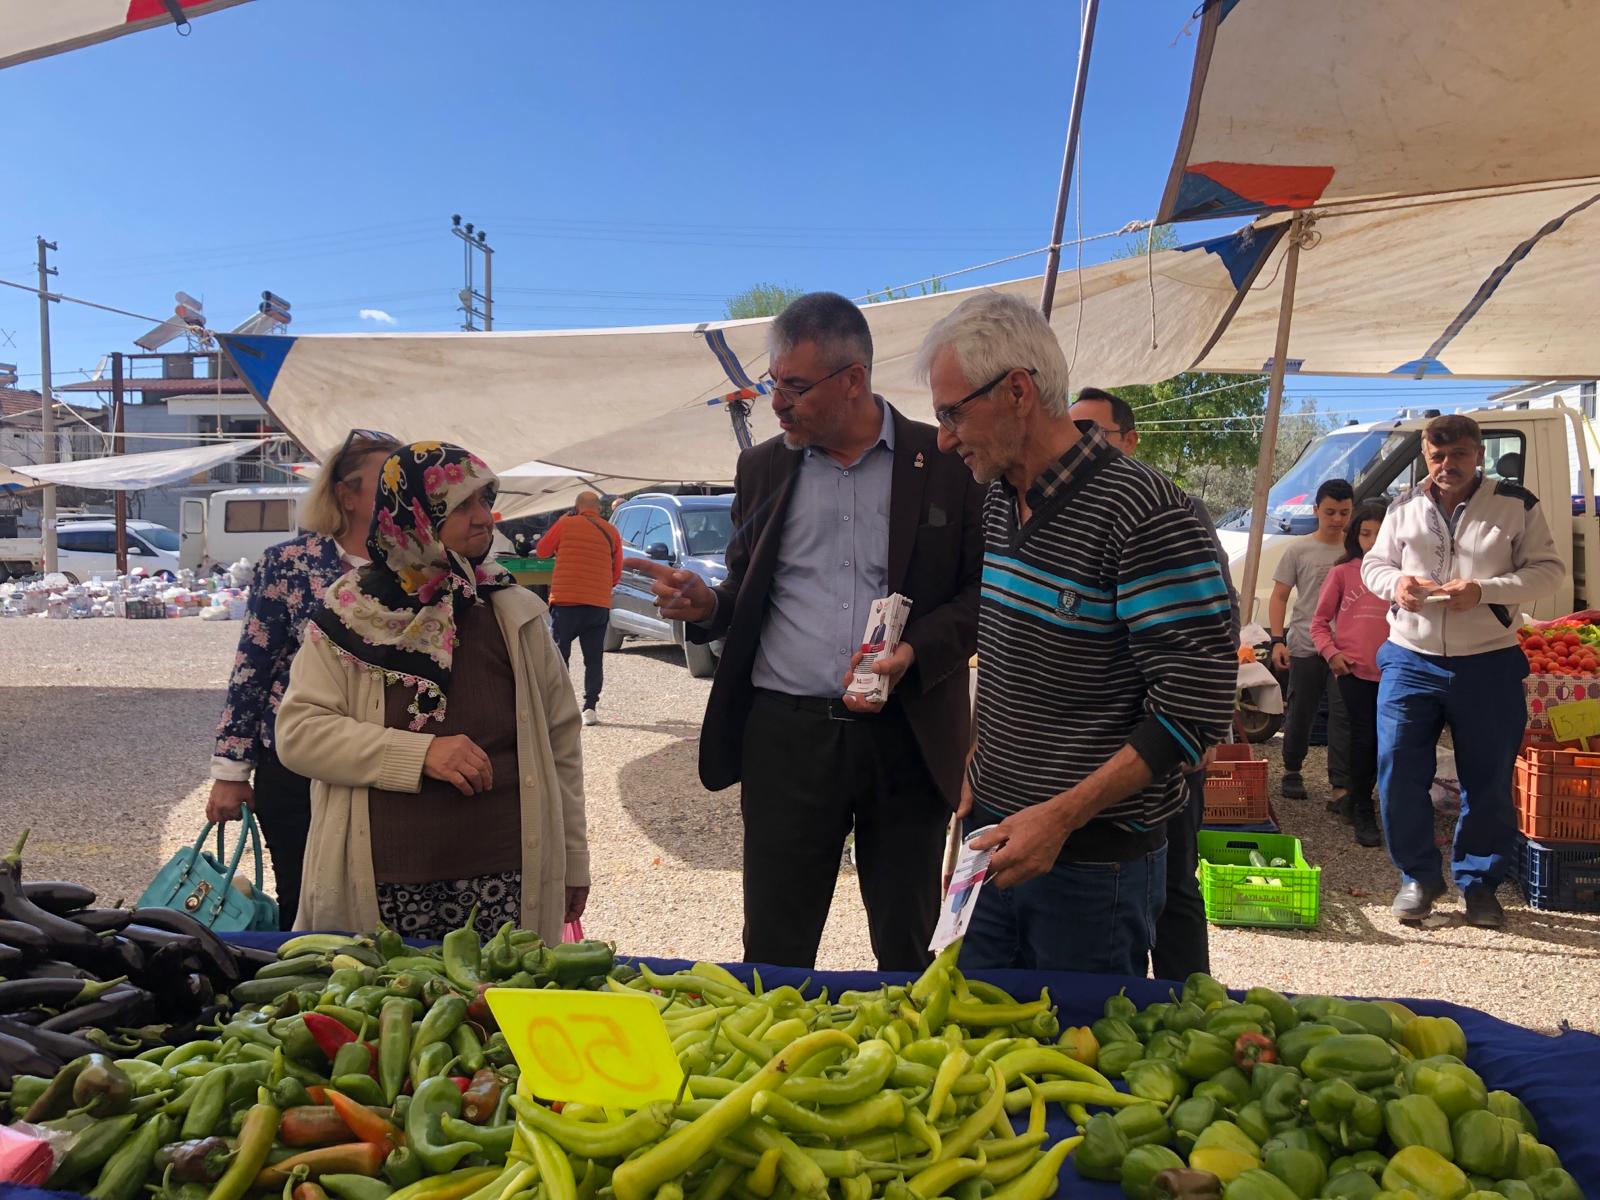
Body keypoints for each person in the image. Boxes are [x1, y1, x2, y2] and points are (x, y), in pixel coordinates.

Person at [631, 291, 982, 971]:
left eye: (793, 386)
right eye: (773, 384)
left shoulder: (941, 460)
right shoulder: (761, 468)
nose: (777, 403)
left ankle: (904, 1069)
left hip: (908, 737)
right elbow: (742, 595)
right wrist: (706, 605)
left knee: (910, 948)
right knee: (775, 948)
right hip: (787, 738)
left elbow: (981, 593)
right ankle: (774, 1069)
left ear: (853, 380)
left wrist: (916, 652)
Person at [920, 291, 1236, 975]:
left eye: (951, 412)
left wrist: (1058, 818)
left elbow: (1195, 705)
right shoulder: (1000, 499)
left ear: (1017, 392)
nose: (944, 437)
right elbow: (1010, 654)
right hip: (995, 836)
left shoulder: (1147, 514)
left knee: (1074, 1060)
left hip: (1089, 865)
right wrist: (982, 756)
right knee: (979, 1052)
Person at [275, 442, 590, 942]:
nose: (484, 518)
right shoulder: (351, 612)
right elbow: (300, 734)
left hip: (508, 877)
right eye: (461, 505)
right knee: (387, 1015)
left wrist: (573, 858)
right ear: (413, 515)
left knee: (494, 1015)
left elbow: (561, 742)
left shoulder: (513, 610)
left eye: (485, 501)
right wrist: (419, 754)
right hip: (383, 882)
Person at [1362, 414, 1564, 926]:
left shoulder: (1516, 504)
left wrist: (1485, 591)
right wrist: (1397, 585)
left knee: (1489, 780)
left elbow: (1548, 570)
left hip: (1489, 660)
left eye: (1458, 456)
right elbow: (1374, 565)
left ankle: (1479, 886)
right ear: (1426, 456)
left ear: (1479, 454)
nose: (1446, 466)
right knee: (1398, 774)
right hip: (1410, 657)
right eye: (1436, 456)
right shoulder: (1403, 506)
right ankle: (1418, 878)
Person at [1069, 387, 1240, 981]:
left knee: (1174, 879)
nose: (1079, 446)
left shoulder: (1168, 510)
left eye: (1093, 433)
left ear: (1130, 440)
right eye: (1072, 431)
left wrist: (1198, 727)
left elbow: (1218, 624)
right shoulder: (1063, 514)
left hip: (1161, 739)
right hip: (1109, 748)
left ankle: (1183, 1000)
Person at [207, 428, 402, 929]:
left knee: (391, 900)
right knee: (306, 899)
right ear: (346, 493)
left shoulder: (420, 567)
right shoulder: (288, 565)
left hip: (393, 760)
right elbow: (252, 669)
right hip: (298, 762)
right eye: (388, 480)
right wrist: (232, 773)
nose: (403, 491)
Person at [1310, 500, 1391, 848]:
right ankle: (1362, 808)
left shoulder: (1401, 574)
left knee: (1390, 743)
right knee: (1364, 739)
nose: (1372, 540)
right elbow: (1318, 623)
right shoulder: (1342, 572)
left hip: (1395, 672)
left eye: (1379, 532)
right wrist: (1332, 655)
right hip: (1354, 673)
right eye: (1365, 533)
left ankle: (1372, 802)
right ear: (1355, 535)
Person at [1269, 479, 1354, 803]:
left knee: (1341, 714)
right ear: (1316, 509)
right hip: (1304, 643)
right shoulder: (1298, 549)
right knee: (1300, 711)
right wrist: (1278, 640)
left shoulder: (1354, 552)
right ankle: (1292, 769)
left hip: (1344, 647)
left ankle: (1340, 785)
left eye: (1344, 513)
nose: (1336, 519)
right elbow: (1279, 596)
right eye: (1330, 512)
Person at [537, 491, 623, 726]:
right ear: (598, 508)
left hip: (566, 602)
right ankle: (590, 708)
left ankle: (559, 708)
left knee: (559, 656)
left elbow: (542, 550)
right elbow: (616, 573)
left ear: (576, 507)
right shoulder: (611, 531)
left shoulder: (565, 523)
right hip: (597, 605)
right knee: (593, 658)